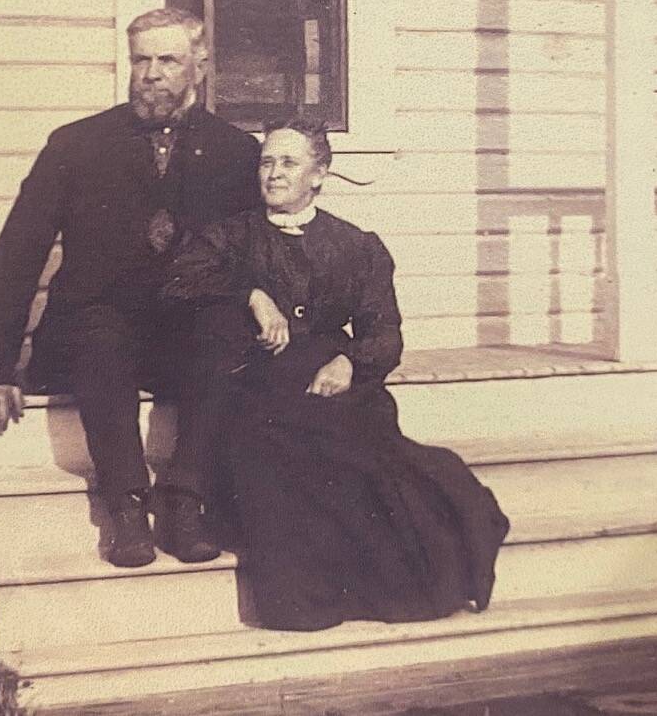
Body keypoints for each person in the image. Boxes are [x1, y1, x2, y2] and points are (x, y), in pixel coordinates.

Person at [161, 119, 510, 631]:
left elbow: (384, 334)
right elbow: (179, 280)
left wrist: (350, 362)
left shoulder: (355, 245)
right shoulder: (230, 236)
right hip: (257, 384)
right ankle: (316, 596)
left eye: (288, 163)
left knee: (392, 472)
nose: (273, 174)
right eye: (266, 162)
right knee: (286, 460)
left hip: (335, 383)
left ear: (319, 174)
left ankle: (405, 579)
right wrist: (251, 295)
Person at [0, 8, 261, 568]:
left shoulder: (237, 153)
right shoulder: (77, 146)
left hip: (181, 340)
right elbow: (16, 255)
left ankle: (185, 499)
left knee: (223, 327)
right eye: (141, 60)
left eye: (167, 59)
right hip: (93, 336)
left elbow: (260, 258)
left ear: (200, 64)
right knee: (100, 334)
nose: (150, 74)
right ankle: (126, 507)